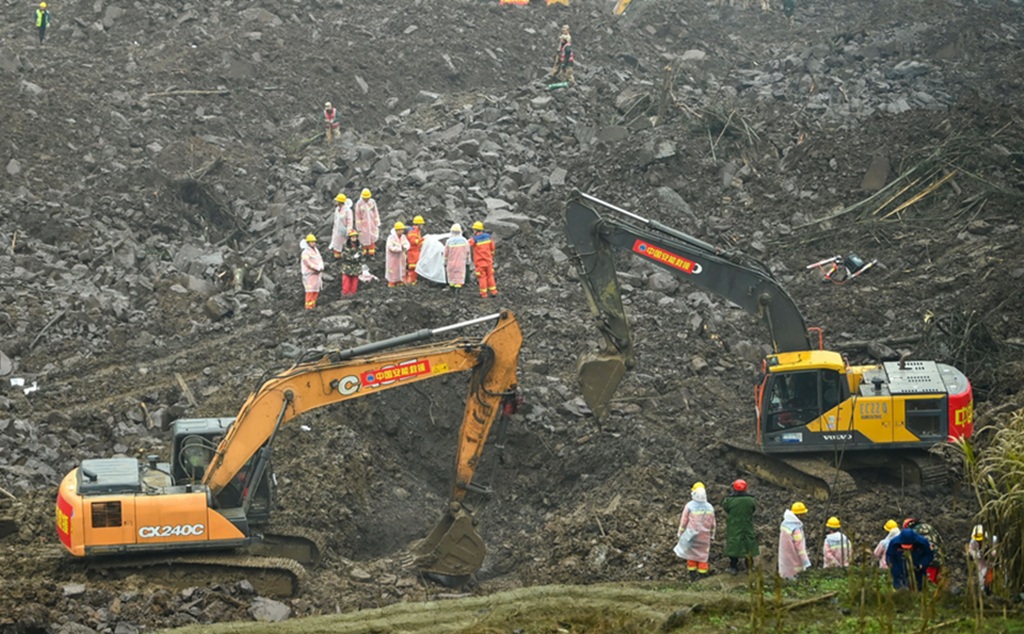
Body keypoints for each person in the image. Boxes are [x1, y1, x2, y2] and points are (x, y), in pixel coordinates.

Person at [673, 482, 716, 579]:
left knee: (691, 556)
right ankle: (702, 578)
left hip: (691, 535)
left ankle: (692, 577)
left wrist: (680, 533)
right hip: (705, 537)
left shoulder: (689, 506)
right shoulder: (710, 507)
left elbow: (684, 521)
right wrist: (712, 534)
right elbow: (713, 523)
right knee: (703, 557)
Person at [722, 479, 758, 575]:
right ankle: (749, 568)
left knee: (734, 546)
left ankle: (733, 568)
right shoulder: (751, 500)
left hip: (734, 526)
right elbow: (753, 509)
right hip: (747, 526)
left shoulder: (730, 500)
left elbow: (725, 507)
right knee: (748, 546)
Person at [886, 525, 934, 591]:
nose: (906, 549)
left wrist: (922, 564)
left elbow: (929, 555)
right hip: (900, 575)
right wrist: (896, 571)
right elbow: (890, 558)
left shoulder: (923, 543)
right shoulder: (894, 543)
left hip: (918, 575)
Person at [778, 502, 811, 580]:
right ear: (799, 515)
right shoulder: (796, 529)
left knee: (785, 577)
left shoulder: (785, 524)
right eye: (803, 514)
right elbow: (800, 548)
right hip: (794, 560)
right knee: (795, 578)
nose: (805, 516)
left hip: (785, 558)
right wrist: (806, 562)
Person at [905, 518, 944, 585]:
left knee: (926, 585)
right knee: (935, 583)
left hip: (925, 561)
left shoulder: (913, 532)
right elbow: (941, 543)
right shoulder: (930, 528)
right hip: (938, 558)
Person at [469, 221, 498, 298]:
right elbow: (492, 247)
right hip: (488, 261)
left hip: (480, 263)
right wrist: (491, 255)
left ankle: (484, 294)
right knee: (490, 276)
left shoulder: (474, 239)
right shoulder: (488, 237)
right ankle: (493, 291)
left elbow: (467, 244)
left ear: (475, 230)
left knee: (482, 277)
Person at [967, 524, 997, 595]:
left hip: (993, 562)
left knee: (993, 578)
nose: (979, 541)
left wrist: (989, 552)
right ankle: (983, 593)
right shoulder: (973, 542)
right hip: (981, 563)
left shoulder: (993, 540)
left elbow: (997, 551)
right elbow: (971, 552)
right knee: (982, 578)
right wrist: (977, 555)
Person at [300, 234, 324, 310]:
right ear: (308, 243)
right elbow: (308, 263)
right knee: (310, 291)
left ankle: (313, 306)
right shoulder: (305, 253)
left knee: (315, 291)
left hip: (316, 275)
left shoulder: (316, 250)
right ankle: (308, 307)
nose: (313, 243)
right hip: (309, 275)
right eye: (312, 242)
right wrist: (317, 268)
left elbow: (319, 259)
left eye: (314, 242)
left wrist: (321, 267)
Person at [354, 188, 380, 256]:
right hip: (364, 224)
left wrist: (376, 222)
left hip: (371, 223)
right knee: (364, 238)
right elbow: (357, 215)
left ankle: (372, 252)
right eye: (365, 198)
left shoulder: (372, 202)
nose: (366, 199)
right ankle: (365, 251)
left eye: (367, 198)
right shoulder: (359, 204)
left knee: (372, 237)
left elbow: (375, 212)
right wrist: (359, 227)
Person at [444, 224, 469, 292]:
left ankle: (452, 289)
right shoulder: (465, 241)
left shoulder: (449, 241)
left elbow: (446, 253)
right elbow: (468, 252)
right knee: (459, 276)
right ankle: (458, 291)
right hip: (461, 262)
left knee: (451, 275)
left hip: (451, 263)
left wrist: (445, 262)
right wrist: (468, 261)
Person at [385, 221, 410, 288]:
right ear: (397, 230)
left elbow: (407, 244)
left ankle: (399, 280)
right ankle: (392, 282)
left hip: (401, 257)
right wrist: (399, 248)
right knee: (393, 270)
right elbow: (390, 247)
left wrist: (405, 247)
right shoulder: (391, 238)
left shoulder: (403, 237)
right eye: (400, 230)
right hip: (393, 258)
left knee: (401, 269)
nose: (402, 231)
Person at [328, 193, 354, 259]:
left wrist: (348, 231)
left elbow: (349, 221)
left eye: (337, 201)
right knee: (336, 245)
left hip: (344, 232)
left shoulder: (348, 211)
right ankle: (337, 258)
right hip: (337, 231)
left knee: (344, 246)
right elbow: (336, 221)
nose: (336, 202)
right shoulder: (337, 210)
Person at [340, 230, 362, 297]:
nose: (354, 238)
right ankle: (345, 294)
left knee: (354, 282)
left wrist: (357, 257)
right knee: (346, 282)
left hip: (356, 267)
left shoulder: (359, 246)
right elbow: (343, 255)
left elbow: (361, 254)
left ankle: (353, 295)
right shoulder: (345, 245)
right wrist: (352, 258)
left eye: (355, 237)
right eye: (352, 237)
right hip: (347, 267)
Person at [405, 215, 425, 285]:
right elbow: (413, 241)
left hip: (415, 251)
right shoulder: (413, 231)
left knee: (415, 267)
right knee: (412, 267)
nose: (422, 226)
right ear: (418, 224)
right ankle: (410, 281)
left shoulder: (417, 231)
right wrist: (421, 241)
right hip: (412, 252)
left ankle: (413, 280)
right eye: (421, 224)